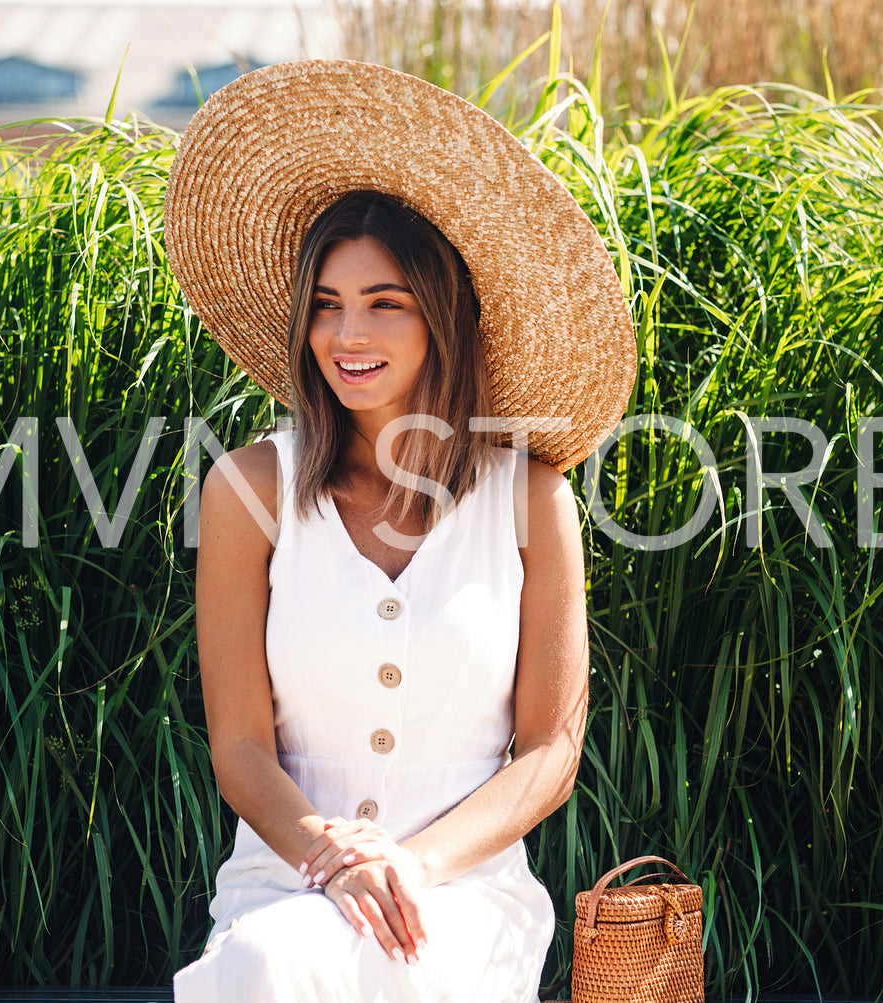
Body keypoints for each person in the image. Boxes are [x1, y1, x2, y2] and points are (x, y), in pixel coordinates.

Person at [163, 60, 637, 1003]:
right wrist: (333, 859)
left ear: (441, 318)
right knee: (268, 963)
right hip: (289, 881)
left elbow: (549, 752)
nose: (347, 335)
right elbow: (241, 749)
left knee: (415, 974)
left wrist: (409, 865)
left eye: (384, 303)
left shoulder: (530, 499)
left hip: (461, 889)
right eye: (327, 306)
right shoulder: (247, 490)